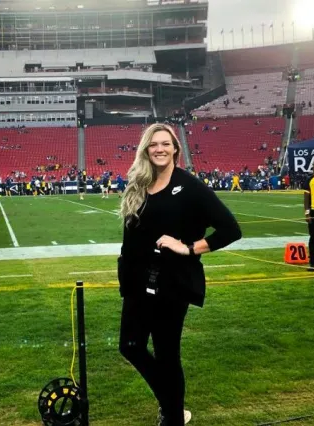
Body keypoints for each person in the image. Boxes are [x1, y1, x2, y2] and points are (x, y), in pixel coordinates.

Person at [117, 123, 242, 426]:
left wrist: (188, 247)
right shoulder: (139, 184)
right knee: (130, 345)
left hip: (172, 282)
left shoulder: (190, 186)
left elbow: (230, 229)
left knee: (166, 353)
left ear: (176, 148)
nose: (159, 149)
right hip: (137, 281)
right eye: (153, 144)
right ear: (146, 150)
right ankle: (173, 407)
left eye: (165, 144)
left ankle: (171, 416)